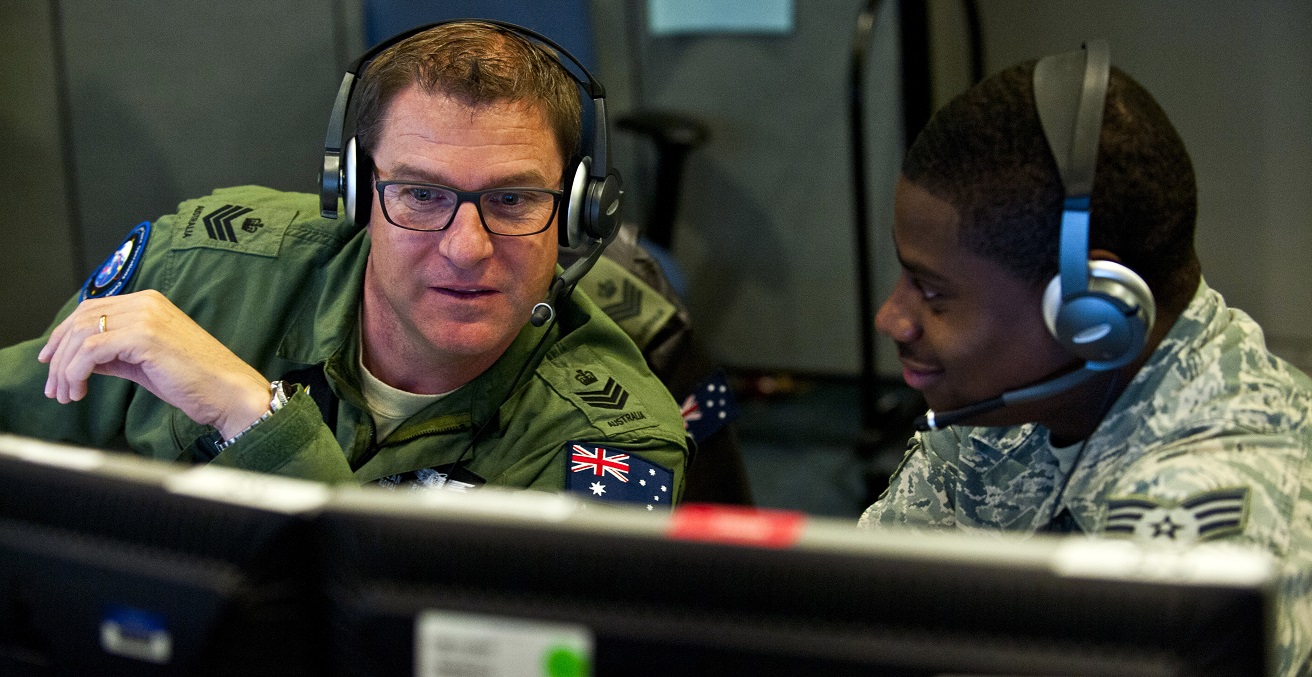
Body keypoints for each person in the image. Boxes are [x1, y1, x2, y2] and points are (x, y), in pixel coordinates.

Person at [0, 20, 690, 506]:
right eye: (421, 194)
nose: (467, 246)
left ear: (575, 213)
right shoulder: (199, 269)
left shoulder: (611, 445)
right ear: (356, 197)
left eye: (512, 199)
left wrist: (258, 419)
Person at [858, 41, 1311, 677]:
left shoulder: (1212, 518)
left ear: (1092, 309)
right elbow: (865, 612)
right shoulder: (1013, 400)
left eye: (932, 293)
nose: (891, 318)